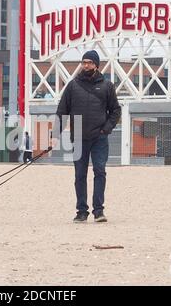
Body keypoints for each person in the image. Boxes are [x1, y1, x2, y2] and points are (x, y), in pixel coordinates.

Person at [52, 50, 121, 223]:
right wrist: (55, 134)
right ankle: (82, 211)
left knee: (99, 171)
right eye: (84, 62)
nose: (86, 65)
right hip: (79, 137)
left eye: (89, 62)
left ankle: (99, 211)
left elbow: (115, 111)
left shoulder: (107, 85)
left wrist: (106, 129)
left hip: (100, 138)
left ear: (96, 65)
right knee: (80, 175)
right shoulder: (73, 85)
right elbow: (62, 111)